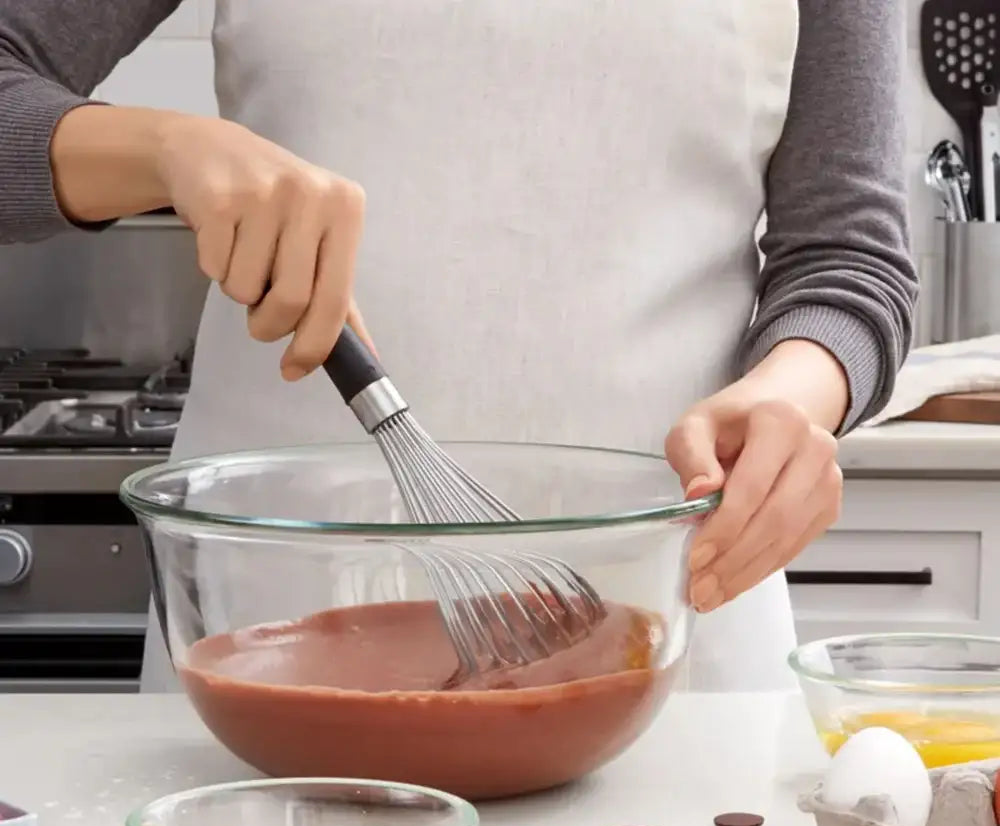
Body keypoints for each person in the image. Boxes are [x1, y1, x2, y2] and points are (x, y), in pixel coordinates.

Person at [0, 0, 917, 693]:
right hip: (269, 637)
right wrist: (160, 148)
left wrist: (795, 397)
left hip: (674, 632)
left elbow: (850, 256)